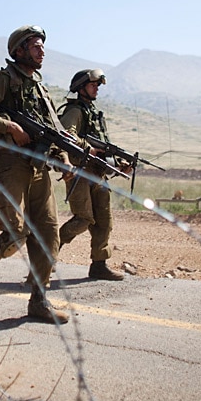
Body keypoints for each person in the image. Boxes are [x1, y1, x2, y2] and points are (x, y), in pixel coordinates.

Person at [0, 25, 72, 324]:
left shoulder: (39, 88)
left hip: (39, 170)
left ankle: (39, 301)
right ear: (19, 50)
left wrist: (63, 158)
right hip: (10, 166)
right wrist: (9, 126)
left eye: (42, 46)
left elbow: (55, 131)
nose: (42, 51)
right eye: (35, 46)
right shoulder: (0, 81)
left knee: (49, 236)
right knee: (16, 233)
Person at [57, 69, 128, 281]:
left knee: (104, 221)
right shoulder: (75, 111)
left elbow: (103, 146)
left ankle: (99, 265)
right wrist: (89, 148)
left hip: (98, 173)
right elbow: (65, 135)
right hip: (80, 173)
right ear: (81, 87)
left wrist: (118, 163)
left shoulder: (94, 113)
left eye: (98, 85)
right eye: (93, 85)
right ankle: (46, 253)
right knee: (83, 219)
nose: (96, 88)